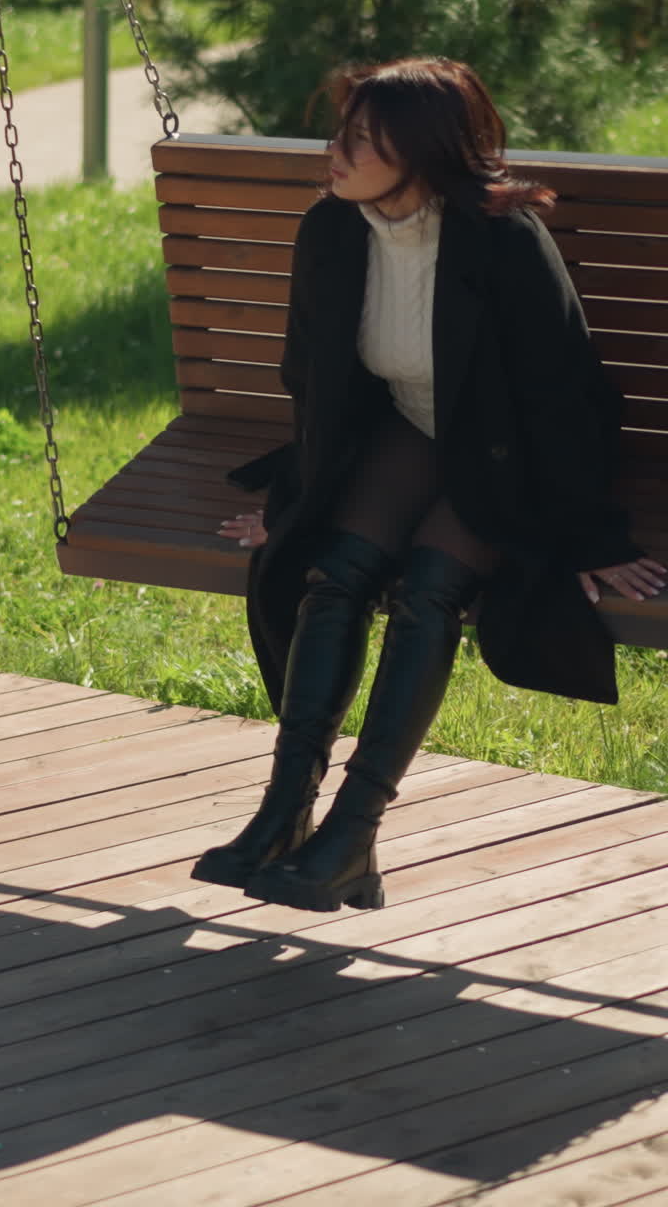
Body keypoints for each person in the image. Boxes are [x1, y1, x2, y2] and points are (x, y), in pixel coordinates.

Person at [191, 57, 666, 914]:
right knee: (330, 575)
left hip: (507, 457)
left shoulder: (504, 241)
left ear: (420, 153)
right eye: (341, 132)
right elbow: (318, 381)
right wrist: (300, 501)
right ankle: (284, 815)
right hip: (411, 431)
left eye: (362, 142)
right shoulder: (333, 229)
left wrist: (590, 536)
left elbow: (564, 401)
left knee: (428, 590)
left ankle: (353, 832)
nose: (335, 152)